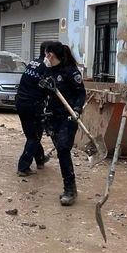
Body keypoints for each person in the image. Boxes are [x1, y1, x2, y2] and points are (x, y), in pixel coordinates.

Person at [42, 41, 86, 206]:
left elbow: (81, 93)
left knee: (63, 149)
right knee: (61, 152)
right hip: (52, 117)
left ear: (50, 55)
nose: (44, 57)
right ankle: (69, 186)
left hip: (68, 117)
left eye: (46, 54)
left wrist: (76, 109)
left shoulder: (71, 72)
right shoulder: (48, 71)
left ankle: (70, 189)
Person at [14, 41, 51, 176]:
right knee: (34, 136)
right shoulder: (46, 68)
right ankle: (23, 167)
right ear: (48, 53)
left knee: (32, 134)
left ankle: (40, 159)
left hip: (21, 103)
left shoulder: (33, 63)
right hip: (32, 105)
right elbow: (51, 90)